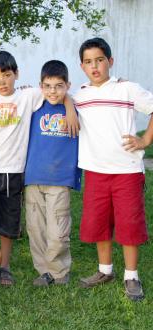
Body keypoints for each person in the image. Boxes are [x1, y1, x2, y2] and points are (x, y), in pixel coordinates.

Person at [0, 51, 78, 288]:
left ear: (16, 74)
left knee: (9, 224)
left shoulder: (28, 96)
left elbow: (57, 90)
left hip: (15, 170)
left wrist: (69, 105)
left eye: (7, 75)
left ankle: (5, 267)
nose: (2, 81)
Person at [74, 37, 153, 301]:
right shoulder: (81, 96)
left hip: (126, 171)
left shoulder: (126, 89)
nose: (94, 66)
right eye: (88, 62)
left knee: (129, 224)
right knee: (99, 223)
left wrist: (145, 140)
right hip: (95, 171)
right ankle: (104, 270)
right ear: (82, 66)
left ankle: (131, 276)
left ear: (110, 61)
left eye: (99, 60)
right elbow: (56, 97)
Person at [24, 60, 82, 286]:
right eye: (47, 85)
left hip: (59, 178)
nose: (53, 91)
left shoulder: (76, 107)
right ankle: (44, 271)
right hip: (33, 177)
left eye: (59, 86)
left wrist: (69, 106)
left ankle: (59, 271)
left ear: (68, 85)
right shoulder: (35, 105)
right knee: (35, 227)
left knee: (58, 230)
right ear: (40, 85)